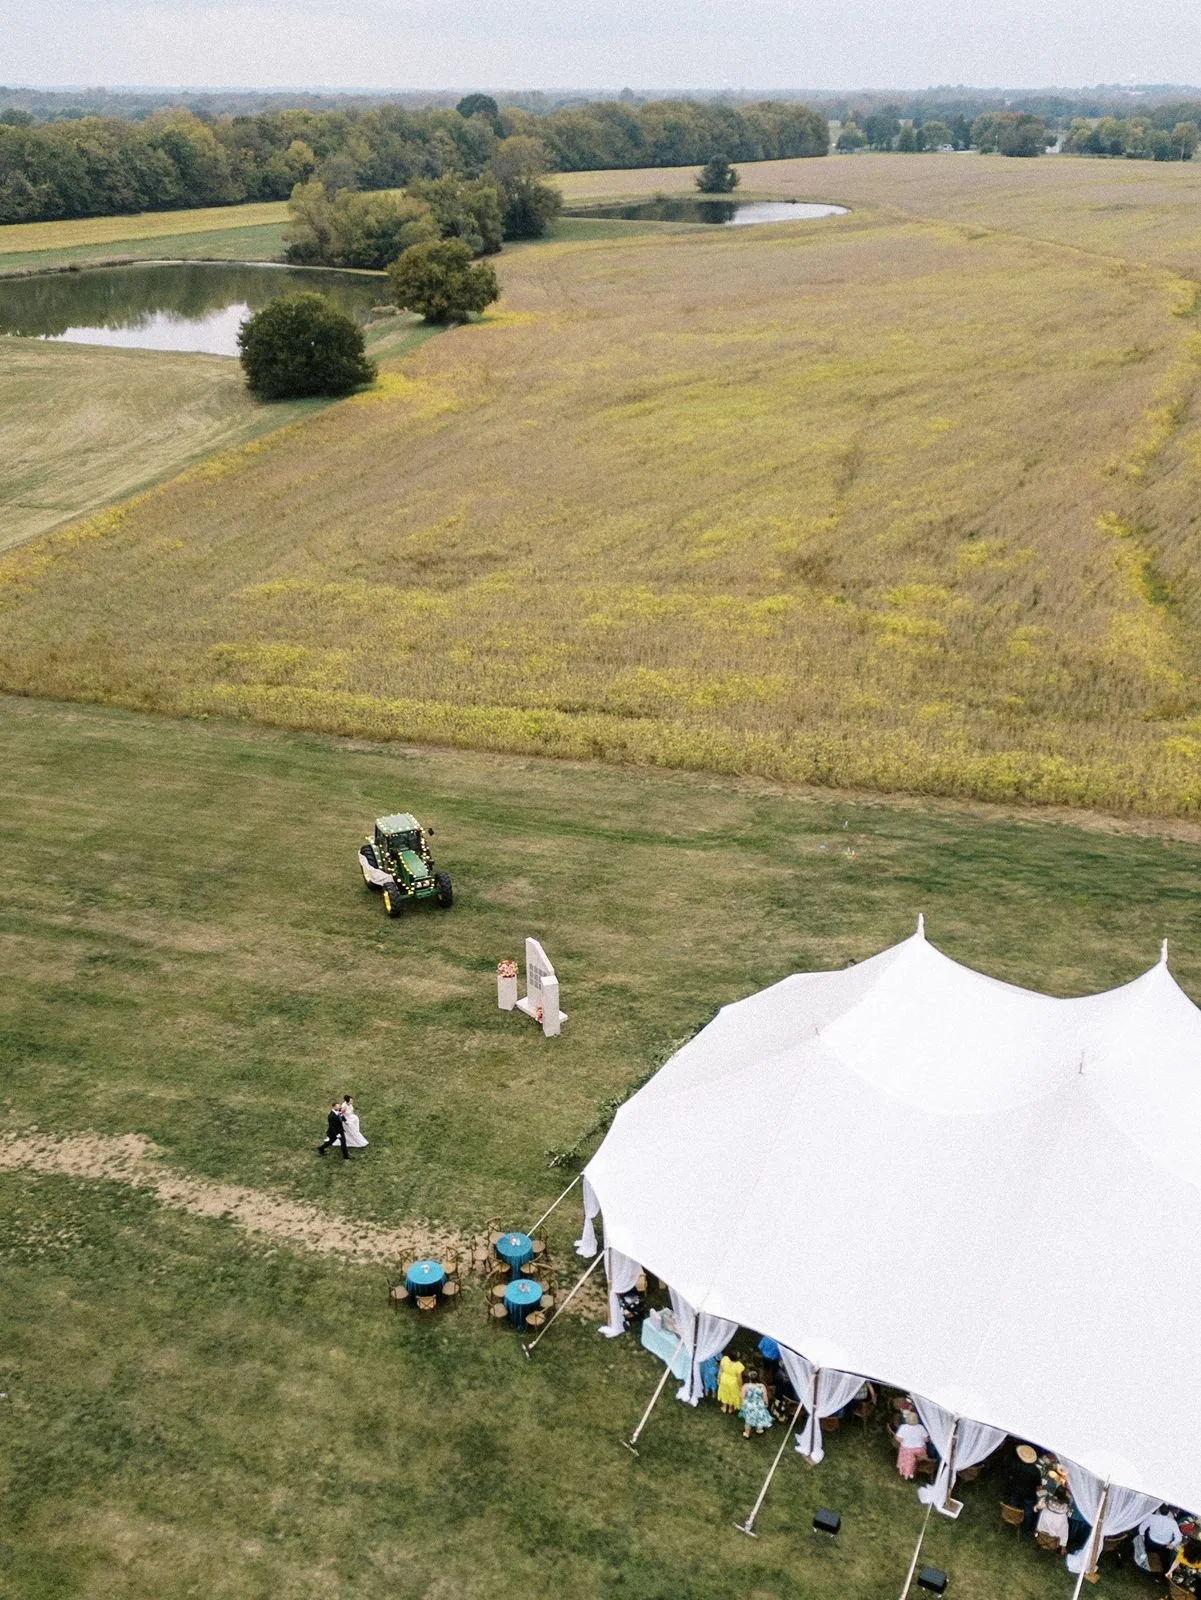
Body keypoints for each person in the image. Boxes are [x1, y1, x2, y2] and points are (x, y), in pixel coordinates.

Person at [1005, 1443, 1043, 1532]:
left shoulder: (1015, 1464)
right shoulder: (1035, 1471)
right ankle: (1026, 1527)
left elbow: (1010, 1474)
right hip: (1029, 1493)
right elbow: (1038, 1484)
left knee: (1013, 1504)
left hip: (1015, 1489)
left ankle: (1012, 1519)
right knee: (1028, 1510)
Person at [1141, 1506, 1184, 1574]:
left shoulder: (1152, 1517)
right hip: (1164, 1545)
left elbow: (1142, 1527)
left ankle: (1144, 1569)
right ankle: (1160, 1573)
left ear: (1158, 1510)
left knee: (1147, 1554)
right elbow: (1179, 1537)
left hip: (1151, 1540)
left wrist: (1142, 1536)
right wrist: (1172, 1544)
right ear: (1169, 1512)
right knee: (1162, 1559)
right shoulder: (1173, 1522)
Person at [895, 1411, 929, 1480]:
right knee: (921, 1450)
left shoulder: (903, 1427)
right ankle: (914, 1470)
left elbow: (898, 1439)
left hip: (907, 1450)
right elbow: (926, 1439)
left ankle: (907, 1471)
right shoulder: (921, 1427)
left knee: (905, 1453)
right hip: (919, 1450)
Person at [739, 1370, 773, 1438]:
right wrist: (766, 1403)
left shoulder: (746, 1386)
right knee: (759, 1417)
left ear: (749, 1378)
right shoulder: (762, 1386)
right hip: (759, 1405)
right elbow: (765, 1397)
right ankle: (759, 1430)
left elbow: (742, 1396)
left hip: (749, 1405)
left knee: (748, 1419)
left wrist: (742, 1404)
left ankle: (747, 1433)